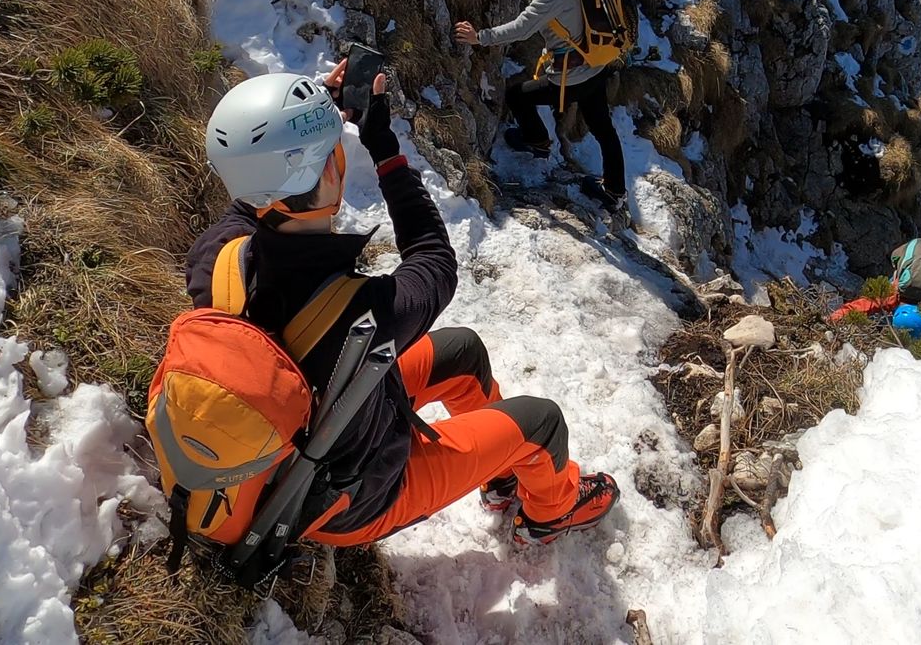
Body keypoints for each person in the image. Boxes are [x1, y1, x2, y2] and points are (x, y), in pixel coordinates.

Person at [186, 61, 620, 550]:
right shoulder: (362, 312)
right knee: (542, 422)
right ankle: (551, 513)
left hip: (312, 429)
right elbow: (434, 260)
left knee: (462, 352)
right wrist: (385, 149)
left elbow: (255, 188)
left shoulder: (215, 256)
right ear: (331, 169)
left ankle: (502, 479)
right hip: (354, 495)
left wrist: (309, 115)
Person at [453, 0, 627, 212]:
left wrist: (479, 37)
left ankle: (537, 141)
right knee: (603, 128)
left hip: (572, 76)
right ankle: (615, 191)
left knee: (517, 95)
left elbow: (522, 28)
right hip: (596, 63)